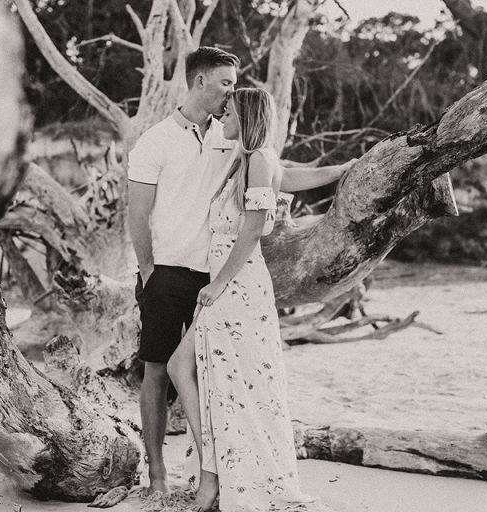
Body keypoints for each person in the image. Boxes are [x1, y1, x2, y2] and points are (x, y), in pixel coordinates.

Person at [128, 46, 351, 497]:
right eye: (226, 83)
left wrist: (343, 169)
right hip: (168, 272)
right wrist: (148, 269)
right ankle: (158, 476)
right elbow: (137, 213)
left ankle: (215, 472)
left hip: (218, 276)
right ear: (200, 81)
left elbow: (278, 176)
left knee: (211, 374)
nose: (232, 91)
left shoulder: (232, 133)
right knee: (157, 371)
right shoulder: (155, 141)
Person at [167, 88, 325, 512]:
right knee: (210, 374)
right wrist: (343, 168)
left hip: (236, 283)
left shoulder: (258, 159)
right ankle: (214, 470)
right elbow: (290, 179)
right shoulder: (249, 159)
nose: (223, 116)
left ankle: (212, 476)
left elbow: (253, 229)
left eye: (230, 111)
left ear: (247, 115)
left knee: (195, 370)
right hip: (232, 281)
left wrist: (218, 284)